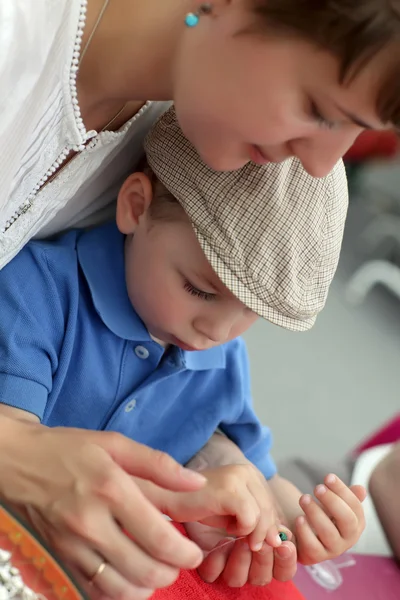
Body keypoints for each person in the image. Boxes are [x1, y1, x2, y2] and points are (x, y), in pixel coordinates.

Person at [1, 0, 400, 597]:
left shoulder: (187, 126)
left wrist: (280, 522)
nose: (322, 165)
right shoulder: (47, 290)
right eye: (319, 110)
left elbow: (244, 475)